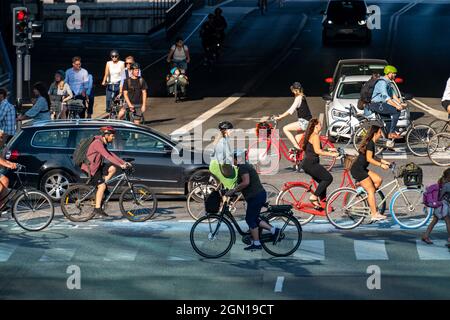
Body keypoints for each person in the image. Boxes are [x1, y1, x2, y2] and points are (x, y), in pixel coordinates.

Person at [225, 151, 280, 251]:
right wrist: (233, 191)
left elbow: (246, 182)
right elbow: (243, 184)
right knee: (253, 218)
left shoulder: (243, 167)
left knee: (250, 219)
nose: (231, 161)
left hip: (256, 196)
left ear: (238, 159)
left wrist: (233, 190)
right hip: (256, 196)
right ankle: (273, 231)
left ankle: (257, 243)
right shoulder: (244, 166)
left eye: (233, 158)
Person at [81, 126, 130, 218]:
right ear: (106, 135)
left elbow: (111, 154)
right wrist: (121, 165)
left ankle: (102, 189)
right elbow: (107, 156)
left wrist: (123, 162)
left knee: (112, 168)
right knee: (102, 186)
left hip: (96, 166)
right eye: (112, 136)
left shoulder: (102, 143)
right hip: (90, 168)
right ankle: (97, 208)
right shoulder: (97, 143)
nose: (113, 137)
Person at [350, 124, 390, 221]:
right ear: (375, 133)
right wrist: (381, 165)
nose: (381, 135)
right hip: (358, 170)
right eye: (380, 133)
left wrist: (385, 162)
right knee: (371, 190)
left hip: (361, 168)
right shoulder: (370, 144)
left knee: (378, 180)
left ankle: (363, 191)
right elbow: (369, 158)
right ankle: (374, 214)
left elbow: (373, 156)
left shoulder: (371, 143)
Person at [301, 118, 339, 209]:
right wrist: (332, 154)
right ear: (316, 126)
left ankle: (323, 203)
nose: (321, 126)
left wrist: (330, 149)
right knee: (328, 178)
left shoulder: (310, 135)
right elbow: (318, 151)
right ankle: (314, 197)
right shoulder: (315, 136)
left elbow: (315, 149)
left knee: (323, 182)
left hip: (307, 163)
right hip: (311, 164)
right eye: (320, 124)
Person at [367, 65, 407, 139]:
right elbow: (386, 97)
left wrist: (400, 103)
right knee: (396, 111)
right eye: (394, 73)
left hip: (380, 104)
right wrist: (396, 106)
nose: (395, 75)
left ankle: (388, 139)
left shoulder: (388, 82)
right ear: (389, 73)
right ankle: (391, 133)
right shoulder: (382, 83)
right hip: (377, 104)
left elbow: (393, 95)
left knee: (388, 120)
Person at [275, 82, 312, 150]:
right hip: (308, 121)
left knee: (285, 128)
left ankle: (296, 146)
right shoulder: (302, 96)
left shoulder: (298, 98)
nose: (293, 92)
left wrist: (280, 117)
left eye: (293, 90)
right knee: (297, 138)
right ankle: (299, 155)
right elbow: (297, 108)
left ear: (295, 90)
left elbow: (291, 110)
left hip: (304, 122)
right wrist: (282, 115)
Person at [422, 168, 450, 246]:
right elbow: (442, 196)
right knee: (448, 222)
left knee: (434, 221)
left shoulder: (443, 182)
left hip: (439, 206)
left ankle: (425, 236)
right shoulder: (447, 185)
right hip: (443, 206)